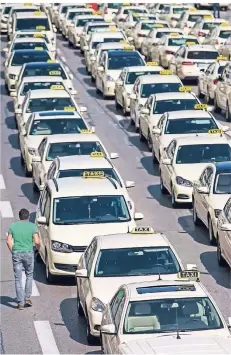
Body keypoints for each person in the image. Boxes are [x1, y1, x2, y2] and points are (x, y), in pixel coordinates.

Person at [7, 209, 40, 310]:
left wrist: (14, 251)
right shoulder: (32, 226)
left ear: (19, 216)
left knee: (18, 278)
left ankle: (20, 303)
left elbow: (8, 242)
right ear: (28, 216)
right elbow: (37, 241)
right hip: (29, 253)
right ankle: (27, 298)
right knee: (29, 275)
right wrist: (37, 250)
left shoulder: (13, 226)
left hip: (17, 252)